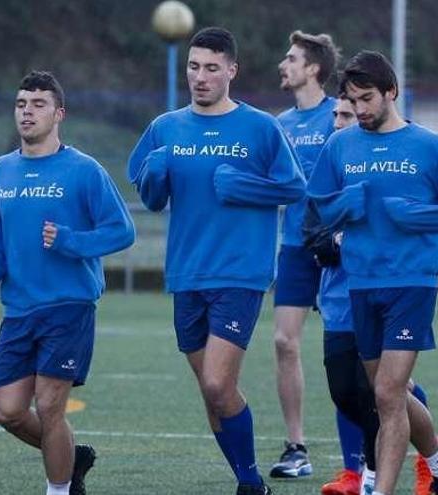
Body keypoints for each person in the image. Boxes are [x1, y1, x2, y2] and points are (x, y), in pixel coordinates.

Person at [127, 27, 305, 495]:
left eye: (211, 68)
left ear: (232, 70)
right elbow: (149, 195)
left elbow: (294, 188)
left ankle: (250, 484)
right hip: (186, 272)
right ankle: (248, 480)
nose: (200, 77)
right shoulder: (166, 127)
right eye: (193, 66)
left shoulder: (261, 127)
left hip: (241, 272)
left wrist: (245, 187)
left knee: (216, 384)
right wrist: (155, 172)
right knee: (213, 395)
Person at [308, 51, 438, 495]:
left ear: (391, 93)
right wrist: (348, 205)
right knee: (389, 393)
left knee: (386, 393)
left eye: (367, 99)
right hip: (362, 284)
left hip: (413, 283)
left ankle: (380, 490)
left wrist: (416, 216)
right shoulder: (340, 146)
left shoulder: (431, 146)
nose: (359, 110)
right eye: (352, 101)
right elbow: (322, 207)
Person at [0, 70, 135, 495]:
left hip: (69, 306)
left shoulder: (84, 171)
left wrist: (70, 241)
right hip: (19, 309)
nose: (28, 112)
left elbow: (122, 231)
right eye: (22, 104)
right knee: (8, 411)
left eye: (39, 104)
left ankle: (59, 489)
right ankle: (70, 459)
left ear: (59, 113)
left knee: (48, 405)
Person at [310, 96, 437, 495]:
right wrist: (336, 240)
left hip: (387, 292)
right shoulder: (333, 162)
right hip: (338, 301)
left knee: (384, 393)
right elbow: (312, 231)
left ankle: (372, 477)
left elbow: (427, 217)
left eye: (346, 114)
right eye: (336, 115)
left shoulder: (405, 157)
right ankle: (436, 458)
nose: (340, 121)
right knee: (347, 391)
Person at [270, 30, 340, 479]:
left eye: (292, 58)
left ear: (313, 68)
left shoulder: (342, 114)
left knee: (355, 353)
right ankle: (297, 448)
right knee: (283, 342)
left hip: (338, 249)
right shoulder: (279, 124)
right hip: (295, 247)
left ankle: (407, 402)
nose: (284, 64)